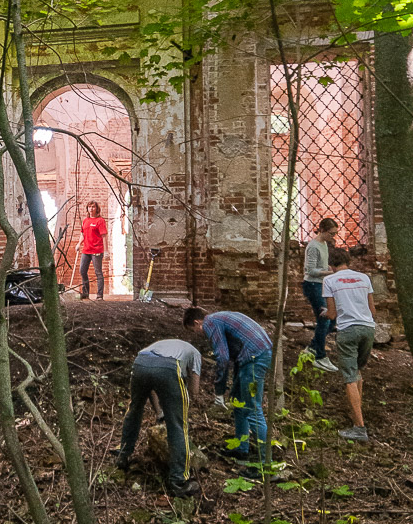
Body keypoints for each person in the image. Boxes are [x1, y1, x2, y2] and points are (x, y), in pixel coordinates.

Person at [185, 306, 273, 463]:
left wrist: (219, 390)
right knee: (239, 403)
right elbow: (235, 349)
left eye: (193, 330)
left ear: (197, 322)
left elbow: (223, 357)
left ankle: (265, 465)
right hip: (252, 355)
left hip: (255, 357)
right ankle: (241, 448)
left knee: (252, 409)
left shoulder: (210, 322)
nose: (198, 335)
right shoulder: (220, 318)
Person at [116, 337, 201, 496]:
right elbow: (194, 390)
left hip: (140, 362)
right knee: (177, 425)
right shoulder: (195, 353)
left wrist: (160, 412)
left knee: (134, 409)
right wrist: (180, 405)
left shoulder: (163, 345)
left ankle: (122, 456)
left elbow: (153, 387)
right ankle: (178, 481)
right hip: (169, 367)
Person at [322, 248, 376, 442]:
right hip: (368, 328)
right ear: (348, 261)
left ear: (331, 265)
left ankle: (359, 427)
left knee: (350, 377)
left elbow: (332, 314)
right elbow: (372, 309)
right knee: (358, 371)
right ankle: (356, 414)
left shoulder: (329, 281)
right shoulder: (364, 278)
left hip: (348, 330)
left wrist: (324, 312)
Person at [302, 216, 339, 372]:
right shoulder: (313, 246)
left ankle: (312, 347)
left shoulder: (323, 244)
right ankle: (320, 357)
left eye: (335, 233)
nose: (333, 237)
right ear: (322, 230)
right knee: (324, 319)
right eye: (331, 233)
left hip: (322, 284)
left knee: (331, 320)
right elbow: (310, 271)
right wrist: (329, 272)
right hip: (312, 285)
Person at [79, 201, 108, 300]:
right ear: (87, 209)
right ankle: (85, 293)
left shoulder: (100, 221)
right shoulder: (85, 221)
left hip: (97, 250)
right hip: (86, 250)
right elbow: (83, 234)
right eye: (89, 207)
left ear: (97, 208)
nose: (91, 209)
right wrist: (79, 244)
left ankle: (100, 295)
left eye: (93, 207)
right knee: (82, 271)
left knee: (98, 272)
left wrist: (106, 251)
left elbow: (104, 236)